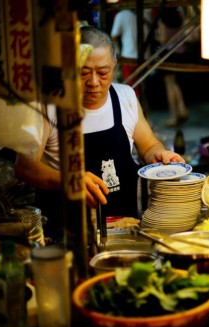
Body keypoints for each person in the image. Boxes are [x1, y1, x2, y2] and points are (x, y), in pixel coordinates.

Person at [14, 25, 184, 234]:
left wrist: (159, 155)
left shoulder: (125, 97)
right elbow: (24, 166)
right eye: (83, 73)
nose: (94, 82)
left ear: (114, 66)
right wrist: (69, 180)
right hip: (66, 232)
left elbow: (148, 145)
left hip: (124, 228)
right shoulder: (47, 105)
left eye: (103, 73)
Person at [156, 7, 190, 127]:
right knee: (175, 84)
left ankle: (174, 117)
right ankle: (182, 109)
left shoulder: (163, 19)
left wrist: (156, 38)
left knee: (169, 85)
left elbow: (164, 38)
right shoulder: (180, 16)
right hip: (181, 53)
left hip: (169, 54)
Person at [110, 9, 152, 96]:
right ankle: (141, 107)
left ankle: (134, 108)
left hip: (129, 57)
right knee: (141, 87)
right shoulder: (147, 12)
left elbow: (113, 36)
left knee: (131, 89)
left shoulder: (121, 14)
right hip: (146, 57)